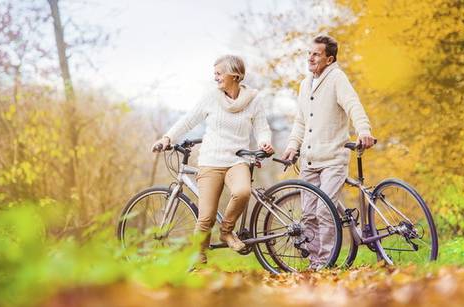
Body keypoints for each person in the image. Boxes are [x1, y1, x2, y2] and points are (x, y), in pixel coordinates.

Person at [152, 55, 274, 264]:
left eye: (219, 73)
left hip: (237, 160)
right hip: (210, 161)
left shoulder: (254, 99)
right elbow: (189, 120)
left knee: (242, 192)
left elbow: (262, 128)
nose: (215, 77)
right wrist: (167, 138)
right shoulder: (211, 97)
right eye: (214, 73)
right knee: (206, 217)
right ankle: (198, 258)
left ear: (234, 75)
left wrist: (264, 142)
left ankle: (226, 231)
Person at [281, 35, 375, 270]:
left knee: (325, 210)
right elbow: (301, 121)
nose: (310, 58)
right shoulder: (305, 84)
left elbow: (353, 104)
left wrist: (364, 130)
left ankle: (326, 261)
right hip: (309, 160)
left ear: (329, 59)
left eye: (316, 54)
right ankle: (316, 263)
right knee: (308, 214)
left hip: (333, 158)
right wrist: (293, 146)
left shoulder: (336, 78)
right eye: (309, 53)